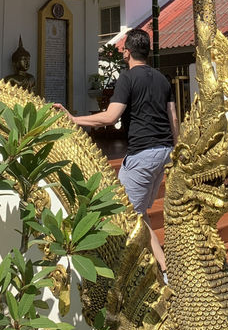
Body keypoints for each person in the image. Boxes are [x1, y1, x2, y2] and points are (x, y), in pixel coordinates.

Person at [54, 28, 179, 277]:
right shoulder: (163, 79)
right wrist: (176, 152)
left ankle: (153, 270)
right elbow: (173, 118)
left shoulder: (128, 79)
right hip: (164, 152)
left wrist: (73, 118)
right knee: (138, 212)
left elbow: (110, 117)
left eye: (123, 49)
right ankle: (162, 265)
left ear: (127, 52)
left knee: (121, 210)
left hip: (143, 154)